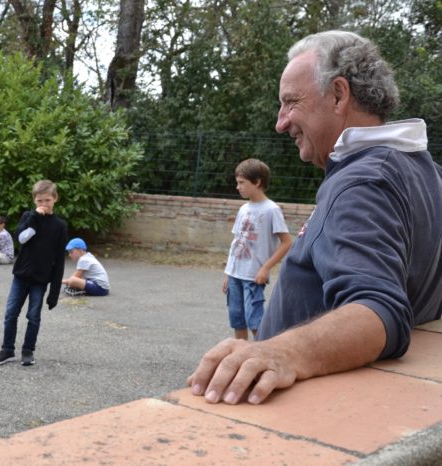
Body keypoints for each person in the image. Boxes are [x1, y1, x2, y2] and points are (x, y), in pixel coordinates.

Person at [188, 30, 442, 406]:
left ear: (339, 94)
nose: (280, 122)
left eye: (290, 102)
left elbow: (378, 312)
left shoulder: (365, 180)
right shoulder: (426, 172)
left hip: (309, 412)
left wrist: (282, 352)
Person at [0, 180, 67, 367]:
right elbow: (22, 238)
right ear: (34, 200)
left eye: (47, 200)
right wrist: (34, 219)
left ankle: (28, 350)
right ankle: (7, 350)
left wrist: (54, 292)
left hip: (40, 279)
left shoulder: (60, 226)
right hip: (21, 276)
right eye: (40, 201)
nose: (43, 205)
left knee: (33, 316)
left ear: (55, 199)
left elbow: (59, 260)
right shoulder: (28, 217)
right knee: (10, 313)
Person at [222, 159, 292, 340]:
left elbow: (286, 242)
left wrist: (266, 268)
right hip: (235, 276)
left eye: (241, 183)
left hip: (253, 276)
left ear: (257, 182)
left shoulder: (271, 210)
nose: (238, 187)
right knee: (237, 320)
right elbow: (236, 242)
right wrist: (228, 274)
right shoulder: (244, 209)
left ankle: (263, 356)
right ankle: (240, 357)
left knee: (255, 321)